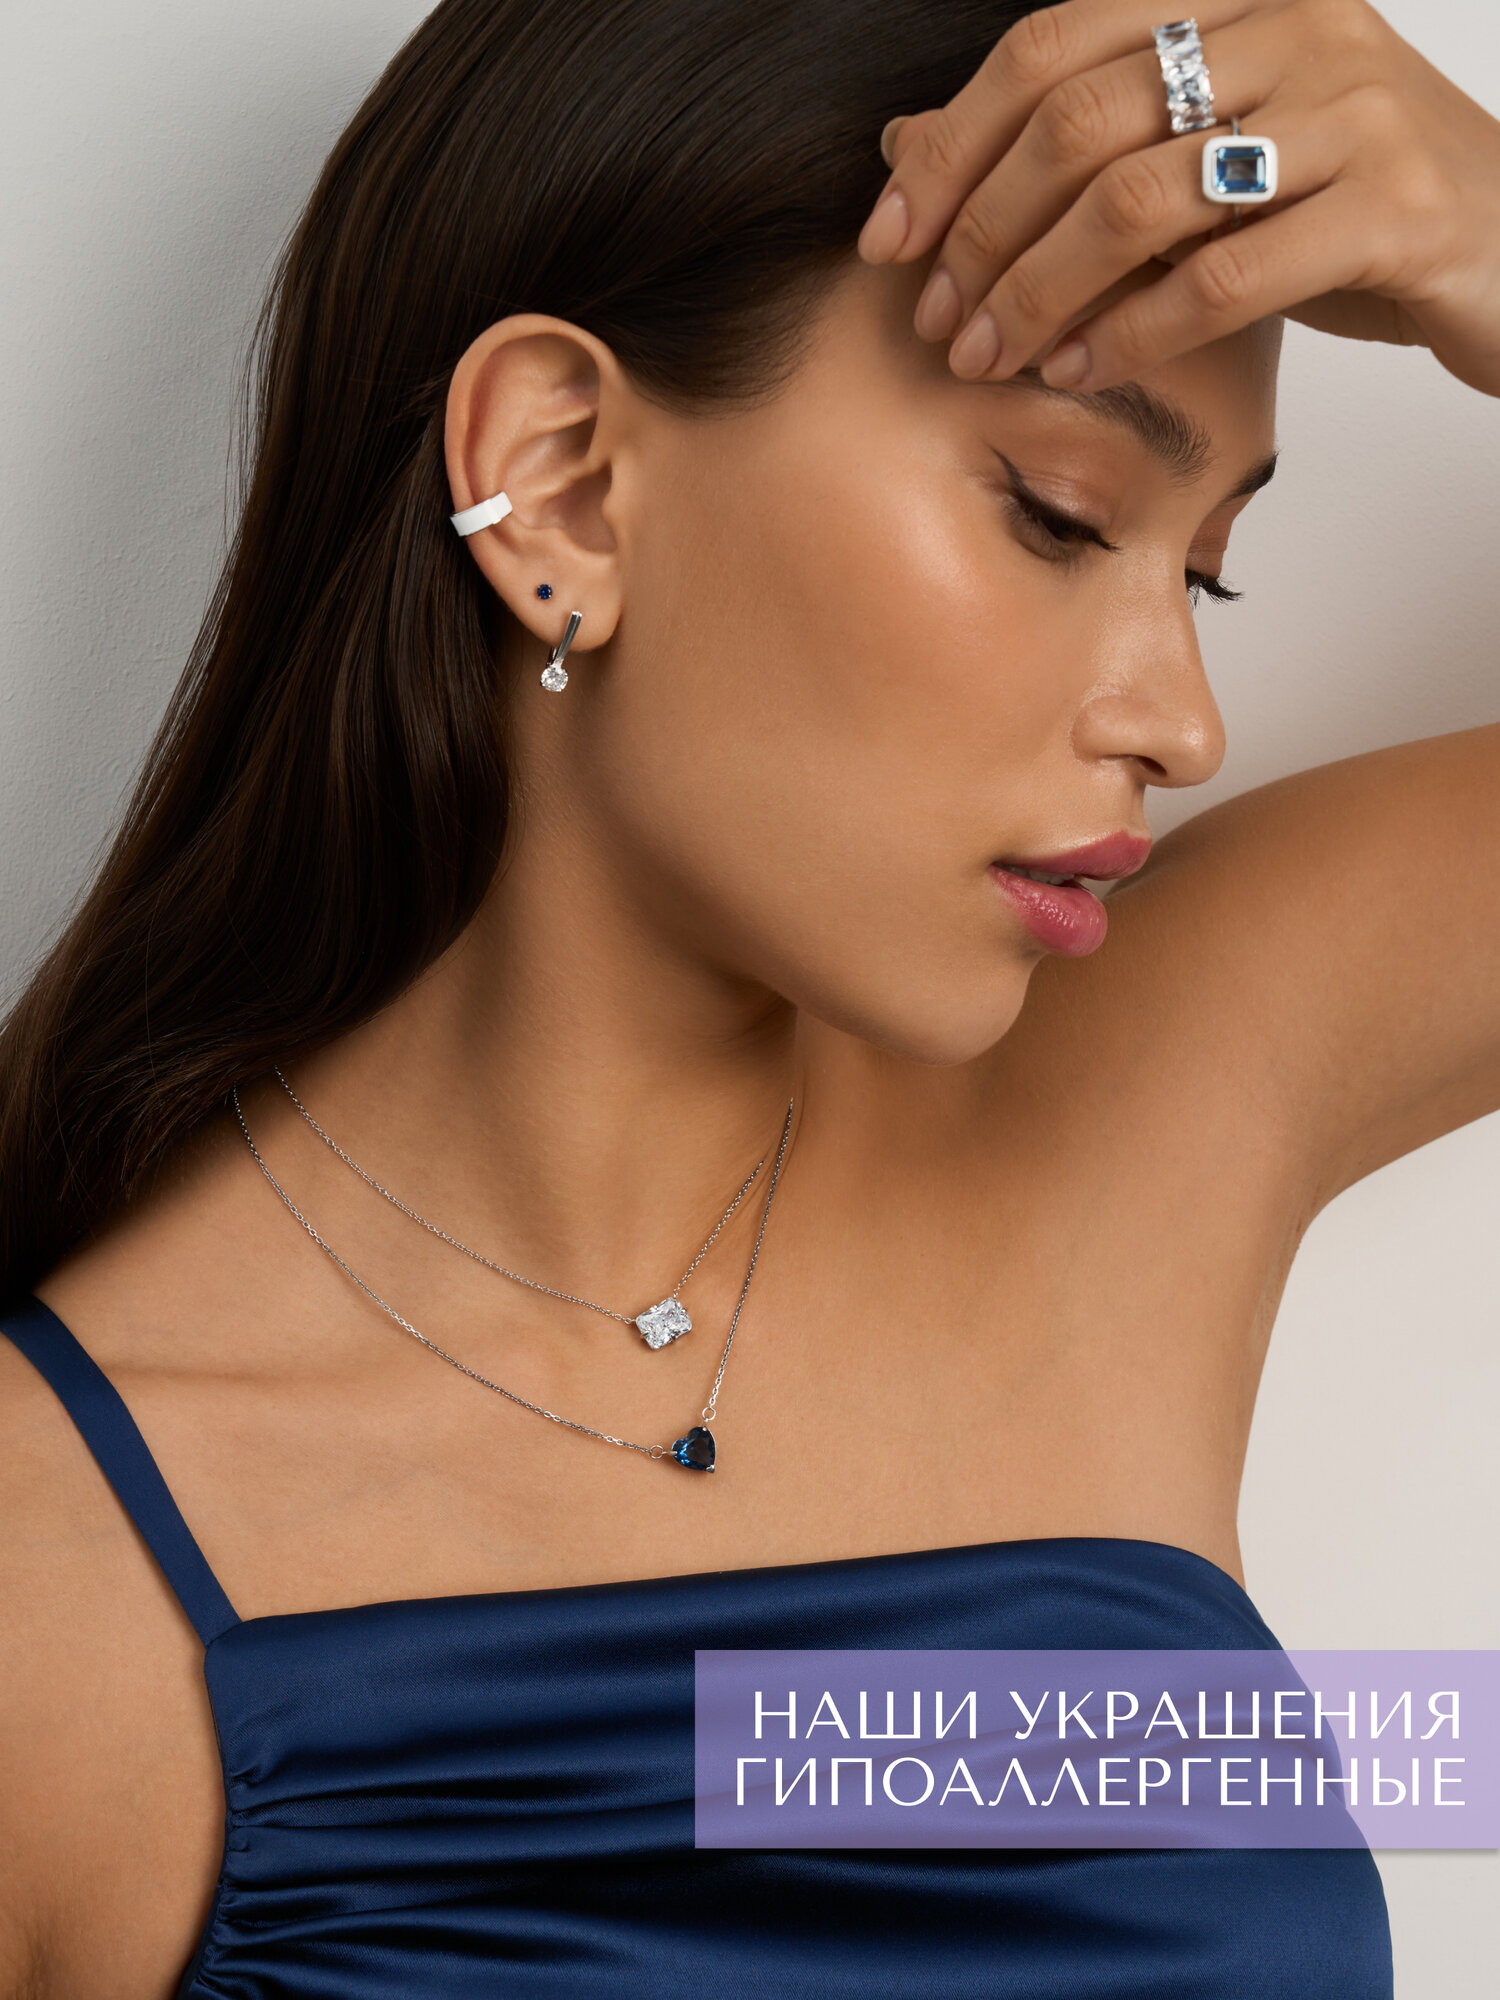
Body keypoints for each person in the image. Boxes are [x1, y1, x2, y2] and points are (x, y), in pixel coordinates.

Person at [1, 0, 1496, 1992]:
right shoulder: (46, 1589)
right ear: (562, 488)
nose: (1186, 721)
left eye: (1202, 571)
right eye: (1058, 516)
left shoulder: (1158, 1090)